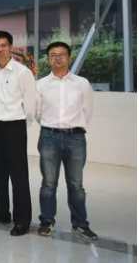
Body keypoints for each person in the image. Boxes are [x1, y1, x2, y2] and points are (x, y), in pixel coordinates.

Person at [35, 41, 98, 240]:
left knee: (76, 184)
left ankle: (80, 224)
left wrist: (72, 126)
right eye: (53, 55)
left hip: (75, 138)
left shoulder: (82, 83)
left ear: (69, 58)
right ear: (48, 59)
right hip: (49, 137)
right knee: (48, 183)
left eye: (62, 54)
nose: (58, 58)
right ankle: (47, 221)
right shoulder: (41, 85)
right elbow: (37, 113)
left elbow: (87, 110)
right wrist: (53, 126)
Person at [0, 30, 37, 237]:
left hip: (14, 126)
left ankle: (22, 220)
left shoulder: (22, 72)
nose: (0, 49)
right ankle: (2, 213)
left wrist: (21, 122)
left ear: (11, 47)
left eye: (4, 45)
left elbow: (31, 104)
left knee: (18, 176)